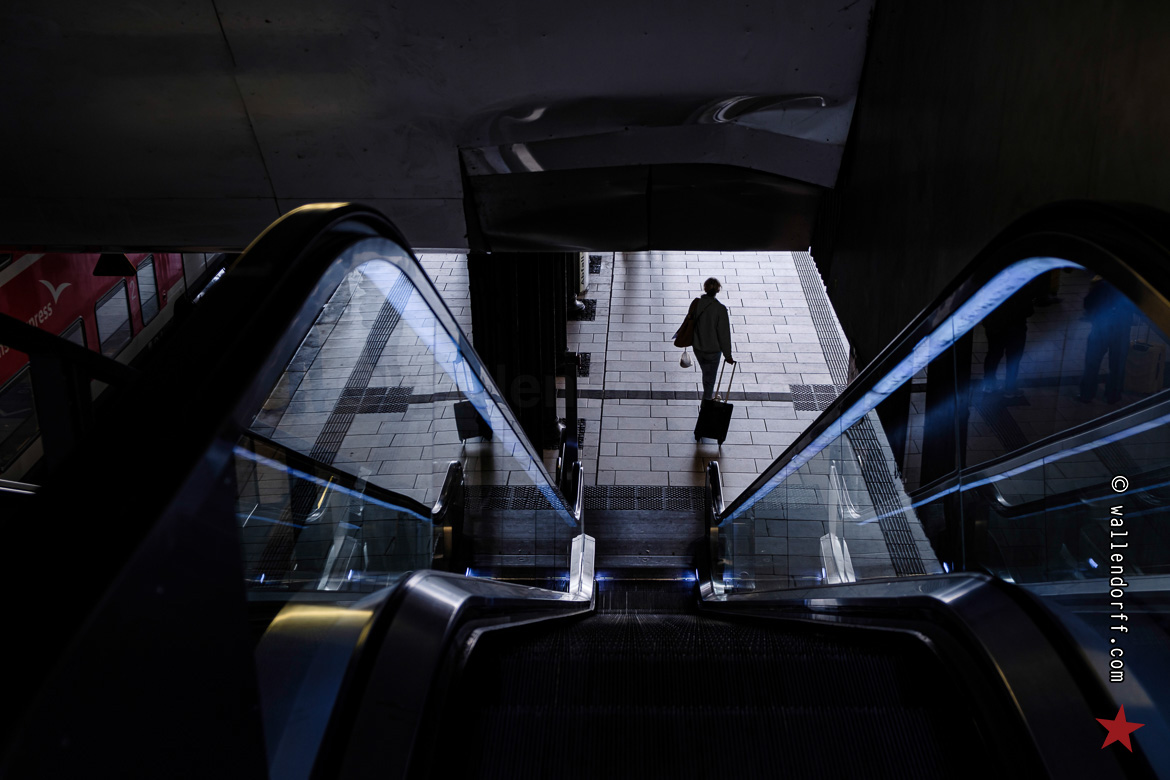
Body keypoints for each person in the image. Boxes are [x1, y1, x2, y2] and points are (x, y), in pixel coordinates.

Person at [691, 277, 735, 400]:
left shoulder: (696, 303)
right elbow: (724, 334)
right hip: (713, 350)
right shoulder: (720, 309)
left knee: (706, 373)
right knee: (710, 378)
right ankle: (706, 402)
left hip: (698, 347)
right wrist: (728, 355)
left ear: (705, 288)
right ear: (718, 290)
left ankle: (708, 397)